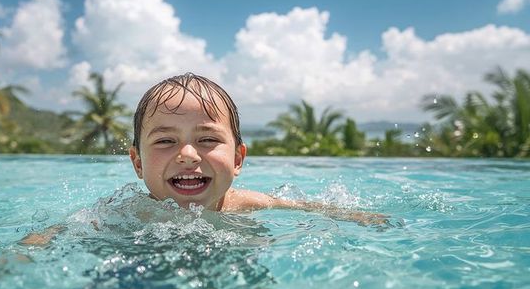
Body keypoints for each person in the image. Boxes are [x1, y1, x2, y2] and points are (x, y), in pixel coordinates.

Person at [19, 73, 387, 247]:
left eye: (208, 139)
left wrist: (350, 215)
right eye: (165, 140)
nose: (188, 155)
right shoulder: (131, 210)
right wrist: (30, 247)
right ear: (137, 163)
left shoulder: (246, 204)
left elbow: (298, 206)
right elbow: (68, 228)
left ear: (239, 158)